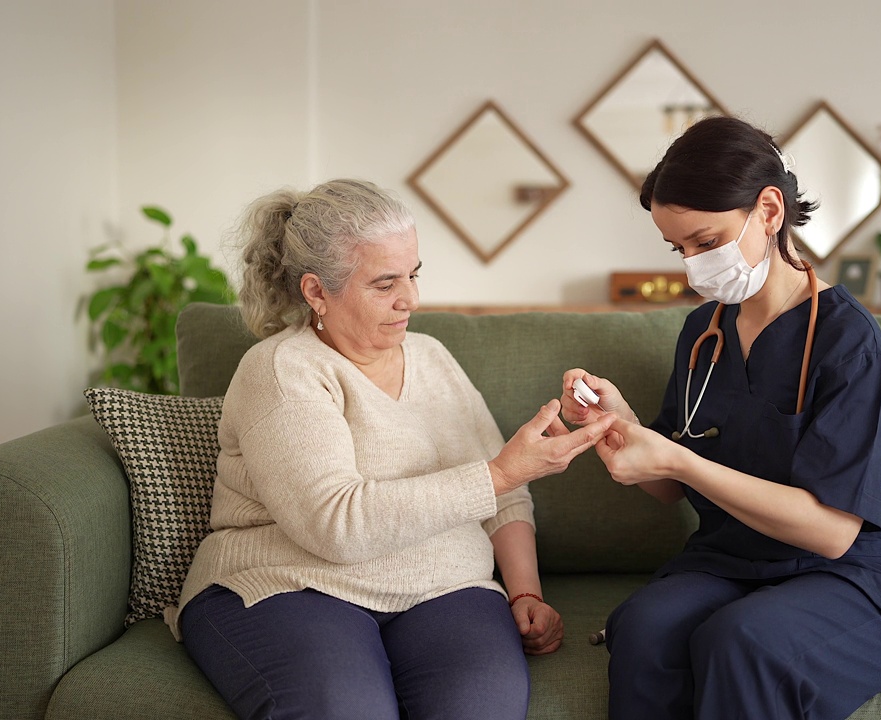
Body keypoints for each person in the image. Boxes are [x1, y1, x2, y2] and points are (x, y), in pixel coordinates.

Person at [172, 179, 616, 720]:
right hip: (291, 585)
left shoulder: (431, 357)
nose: (411, 299)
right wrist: (498, 474)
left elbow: (506, 498)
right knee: (346, 709)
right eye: (385, 283)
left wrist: (526, 594)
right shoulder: (282, 370)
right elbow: (336, 523)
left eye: (414, 274)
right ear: (316, 292)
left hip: (444, 587)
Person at [561, 116, 881, 720]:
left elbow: (831, 531)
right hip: (728, 558)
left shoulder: (847, 339)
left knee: (741, 641)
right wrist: (621, 427)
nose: (692, 266)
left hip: (844, 570)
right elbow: (667, 487)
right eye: (678, 249)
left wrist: (678, 459)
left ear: (769, 211)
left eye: (706, 242)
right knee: (642, 627)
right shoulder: (702, 333)